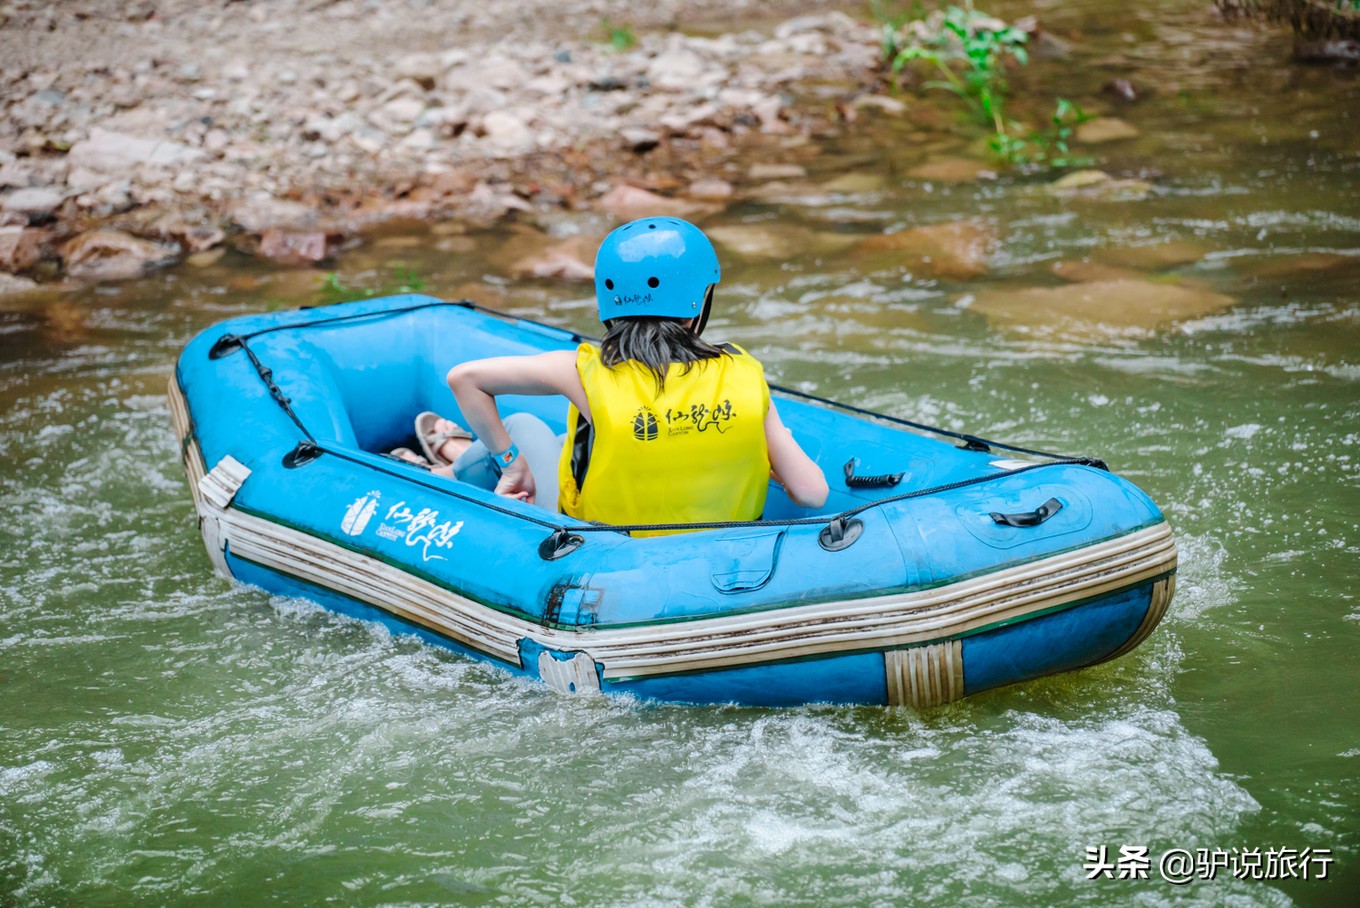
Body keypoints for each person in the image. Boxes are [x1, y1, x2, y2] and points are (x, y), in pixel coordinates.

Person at [420, 216, 828, 530]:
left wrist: (510, 464)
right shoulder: (743, 372)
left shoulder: (582, 371)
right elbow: (812, 494)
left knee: (525, 427)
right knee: (569, 442)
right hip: (719, 558)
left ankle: (447, 465)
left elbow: (465, 378)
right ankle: (450, 461)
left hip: (603, 553)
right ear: (702, 299)